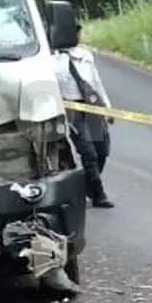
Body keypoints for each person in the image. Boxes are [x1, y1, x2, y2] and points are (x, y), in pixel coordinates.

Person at [53, 23, 114, 208]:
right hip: (72, 109)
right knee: (88, 152)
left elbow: (96, 81)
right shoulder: (53, 59)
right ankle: (98, 193)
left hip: (92, 105)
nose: (77, 36)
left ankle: (88, 185)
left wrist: (107, 107)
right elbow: (56, 82)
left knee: (102, 150)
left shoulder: (86, 55)